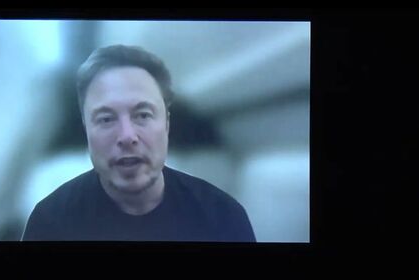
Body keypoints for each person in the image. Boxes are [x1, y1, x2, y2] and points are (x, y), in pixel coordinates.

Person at [22, 44, 256, 242]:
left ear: (166, 123)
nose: (127, 136)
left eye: (143, 115)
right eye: (106, 119)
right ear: (86, 129)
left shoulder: (222, 216)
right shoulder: (50, 221)